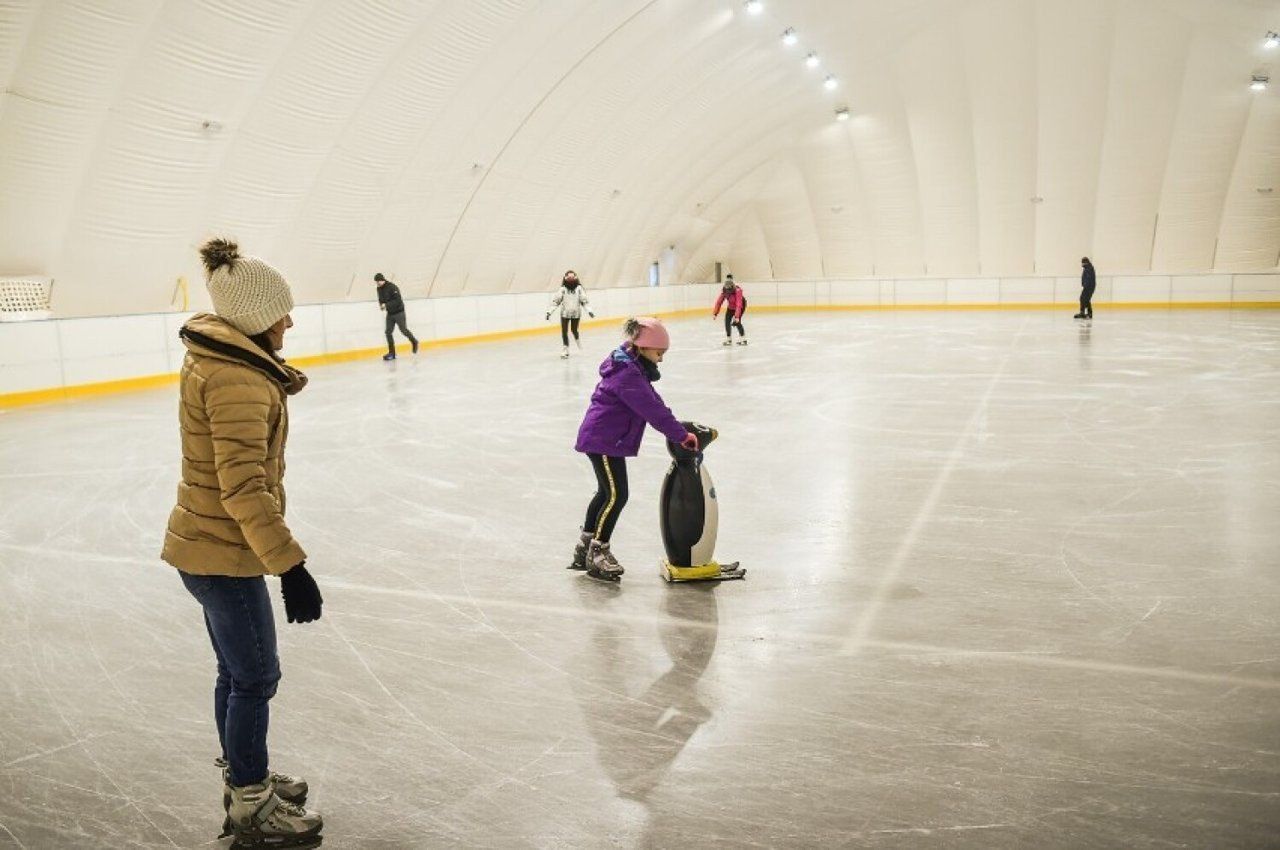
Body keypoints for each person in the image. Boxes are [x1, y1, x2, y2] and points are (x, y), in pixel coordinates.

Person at [162, 238, 324, 848]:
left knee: (235, 673)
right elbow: (243, 489)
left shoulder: (223, 362)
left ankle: (244, 777)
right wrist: (292, 566)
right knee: (255, 676)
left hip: (207, 544)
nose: (290, 321)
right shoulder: (239, 382)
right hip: (222, 552)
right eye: (282, 312)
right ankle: (251, 805)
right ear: (254, 320)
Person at [570, 317, 697, 582]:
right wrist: (680, 435)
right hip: (604, 440)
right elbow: (651, 410)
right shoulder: (628, 374)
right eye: (659, 353)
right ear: (644, 347)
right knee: (617, 495)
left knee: (606, 492)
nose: (661, 359)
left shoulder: (631, 367)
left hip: (604, 438)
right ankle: (598, 552)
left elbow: (653, 401)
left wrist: (678, 429)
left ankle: (584, 547)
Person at [546, 270, 594, 358]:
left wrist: (589, 311)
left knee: (574, 330)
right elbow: (556, 302)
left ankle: (578, 342)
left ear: (575, 278)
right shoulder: (563, 289)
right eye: (569, 278)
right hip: (565, 314)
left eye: (572, 278)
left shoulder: (579, 289)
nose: (571, 280)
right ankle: (565, 350)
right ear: (566, 278)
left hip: (576, 314)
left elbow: (584, 302)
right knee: (564, 331)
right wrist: (549, 312)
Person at [375, 272, 419, 360]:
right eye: (376, 282)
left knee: (403, 330)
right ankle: (392, 353)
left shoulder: (392, 287)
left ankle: (414, 341)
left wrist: (386, 305)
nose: (378, 283)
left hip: (399, 312)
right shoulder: (378, 289)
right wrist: (381, 305)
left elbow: (398, 300)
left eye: (379, 281)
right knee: (388, 332)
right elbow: (380, 299)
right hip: (390, 314)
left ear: (383, 279)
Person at [712, 275, 748, 345]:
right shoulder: (724, 290)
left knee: (737, 322)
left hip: (741, 306)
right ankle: (729, 340)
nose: (728, 292)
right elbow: (719, 302)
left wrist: (737, 316)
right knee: (727, 321)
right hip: (731, 307)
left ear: (732, 287)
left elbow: (739, 304)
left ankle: (743, 339)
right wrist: (715, 313)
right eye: (726, 290)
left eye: (729, 290)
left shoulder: (738, 291)